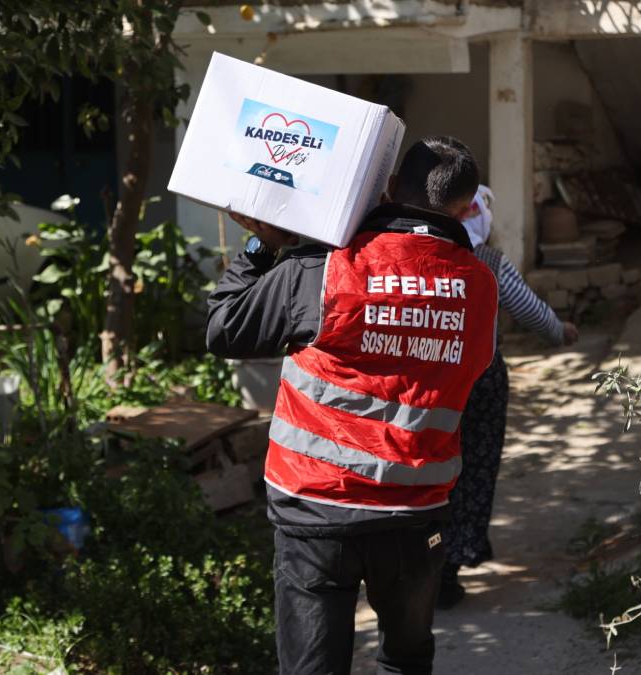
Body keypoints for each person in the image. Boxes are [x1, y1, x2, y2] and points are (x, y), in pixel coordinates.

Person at [206, 136, 499, 675]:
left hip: (316, 504)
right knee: (406, 661)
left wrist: (263, 248)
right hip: (415, 510)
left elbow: (225, 328)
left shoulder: (324, 270)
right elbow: (474, 369)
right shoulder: (481, 286)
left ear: (388, 189)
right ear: (465, 208)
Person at [436, 185, 580, 609]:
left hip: (425, 376)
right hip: (479, 382)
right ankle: (448, 566)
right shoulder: (488, 262)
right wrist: (559, 331)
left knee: (426, 470)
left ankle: (414, 561)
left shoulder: (422, 255)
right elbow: (529, 308)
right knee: (471, 469)